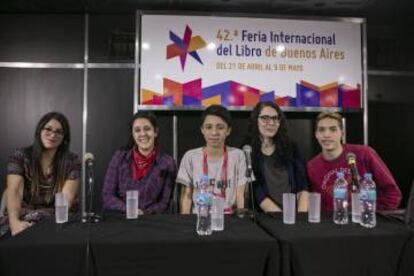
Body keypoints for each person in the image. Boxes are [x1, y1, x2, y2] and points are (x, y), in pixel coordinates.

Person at [307, 111, 402, 211]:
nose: (326, 135)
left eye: (333, 129)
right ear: (316, 134)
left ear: (342, 133)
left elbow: (392, 194)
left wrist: (370, 214)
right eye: (321, 130)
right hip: (336, 222)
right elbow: (320, 205)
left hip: (369, 220)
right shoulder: (312, 167)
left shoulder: (364, 153)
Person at [5, 112, 80, 236]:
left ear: (64, 138)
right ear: (39, 130)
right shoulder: (20, 156)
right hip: (21, 215)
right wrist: (15, 223)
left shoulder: (72, 161)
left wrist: (42, 225)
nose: (52, 135)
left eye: (59, 132)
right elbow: (14, 191)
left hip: (57, 218)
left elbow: (66, 200)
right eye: (48, 129)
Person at [102, 111, 176, 215]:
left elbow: (165, 202)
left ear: (155, 132)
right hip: (121, 219)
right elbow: (107, 195)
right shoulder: (119, 157)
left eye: (147, 129)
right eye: (137, 130)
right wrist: (129, 210)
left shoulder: (167, 162)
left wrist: (144, 213)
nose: (142, 134)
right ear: (132, 134)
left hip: (152, 221)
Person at [178, 105, 247, 214]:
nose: (214, 133)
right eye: (209, 127)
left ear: (228, 130)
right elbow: (186, 196)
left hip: (229, 219)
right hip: (200, 218)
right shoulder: (190, 157)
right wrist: (185, 224)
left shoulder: (238, 156)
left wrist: (241, 219)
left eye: (220, 127)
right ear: (202, 130)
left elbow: (240, 195)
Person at [244, 101, 309, 213]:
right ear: (256, 121)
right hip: (266, 217)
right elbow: (257, 191)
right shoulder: (247, 150)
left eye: (275, 118)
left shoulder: (291, 147)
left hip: (294, 216)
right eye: (265, 118)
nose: (271, 123)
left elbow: (302, 185)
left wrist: (301, 218)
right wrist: (278, 218)